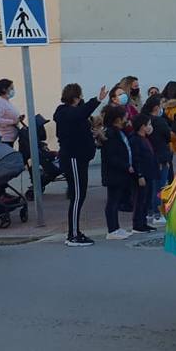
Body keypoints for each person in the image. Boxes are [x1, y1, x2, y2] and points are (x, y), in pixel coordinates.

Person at [55, 83, 108, 247]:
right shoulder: (65, 112)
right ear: (75, 97)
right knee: (77, 196)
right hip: (73, 159)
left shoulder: (75, 114)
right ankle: (72, 235)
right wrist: (97, 100)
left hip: (81, 158)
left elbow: (81, 119)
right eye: (80, 96)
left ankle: (75, 231)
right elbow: (79, 113)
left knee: (80, 194)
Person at [100, 104, 138, 239]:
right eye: (124, 117)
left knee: (116, 200)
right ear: (117, 119)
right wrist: (126, 165)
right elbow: (111, 156)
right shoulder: (111, 133)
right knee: (113, 201)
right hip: (114, 173)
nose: (127, 119)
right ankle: (112, 229)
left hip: (120, 173)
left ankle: (116, 227)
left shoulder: (120, 132)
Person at [144, 96, 173, 226]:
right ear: (156, 107)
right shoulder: (159, 121)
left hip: (149, 157)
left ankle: (150, 212)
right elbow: (169, 136)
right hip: (161, 156)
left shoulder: (144, 120)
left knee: (151, 186)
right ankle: (157, 213)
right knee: (160, 186)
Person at [130, 113, 158, 235]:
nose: (150, 127)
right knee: (140, 199)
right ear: (142, 127)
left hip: (149, 173)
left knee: (146, 199)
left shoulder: (145, 139)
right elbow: (136, 159)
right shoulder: (135, 140)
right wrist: (139, 175)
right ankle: (137, 224)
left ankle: (143, 222)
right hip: (142, 175)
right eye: (148, 125)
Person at [0, 78, 22, 145]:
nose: (13, 90)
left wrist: (18, 119)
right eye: (11, 88)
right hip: (5, 138)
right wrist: (13, 122)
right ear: (4, 89)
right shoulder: (0, 103)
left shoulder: (7, 102)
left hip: (11, 138)